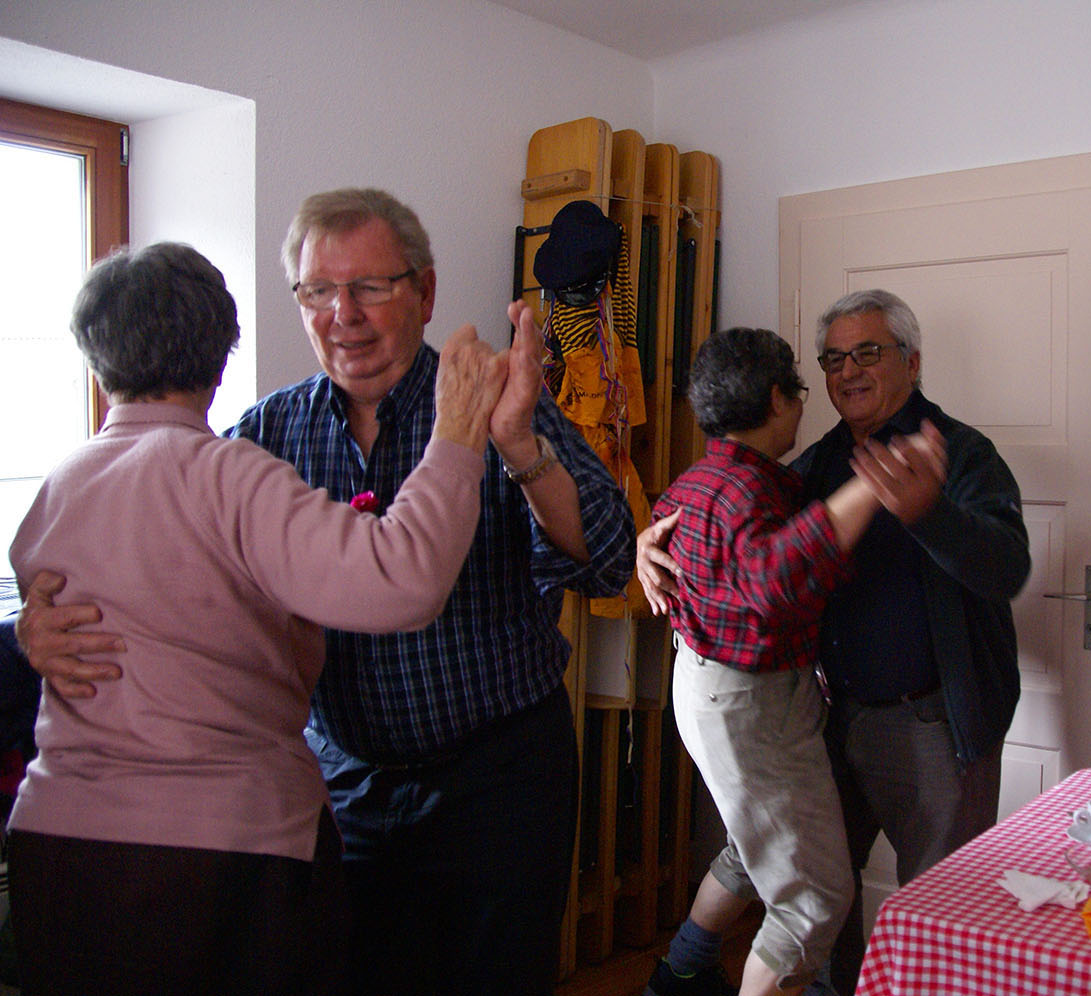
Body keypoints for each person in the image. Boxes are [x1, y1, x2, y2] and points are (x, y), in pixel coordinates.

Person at [17, 190, 637, 995]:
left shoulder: (492, 400)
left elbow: (610, 561)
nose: (344, 315)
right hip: (346, 782)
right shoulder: (262, 435)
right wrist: (39, 623)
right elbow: (156, 569)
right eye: (318, 291)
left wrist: (518, 444)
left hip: (498, 779)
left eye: (371, 287)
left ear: (425, 292)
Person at [642, 289, 1031, 993]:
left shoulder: (963, 454)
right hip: (827, 720)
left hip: (933, 728)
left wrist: (929, 513)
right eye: (832, 359)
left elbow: (1006, 569)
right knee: (823, 896)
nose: (847, 371)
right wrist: (650, 545)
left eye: (867, 353)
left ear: (912, 362)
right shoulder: (815, 464)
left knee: (938, 917)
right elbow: (741, 545)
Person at [646, 328, 922, 996]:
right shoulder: (745, 491)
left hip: (715, 688)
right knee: (815, 899)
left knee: (754, 846)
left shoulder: (704, 479)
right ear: (777, 399)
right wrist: (872, 487)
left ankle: (681, 973)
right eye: (800, 389)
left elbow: (679, 536)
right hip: (751, 703)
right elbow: (773, 581)